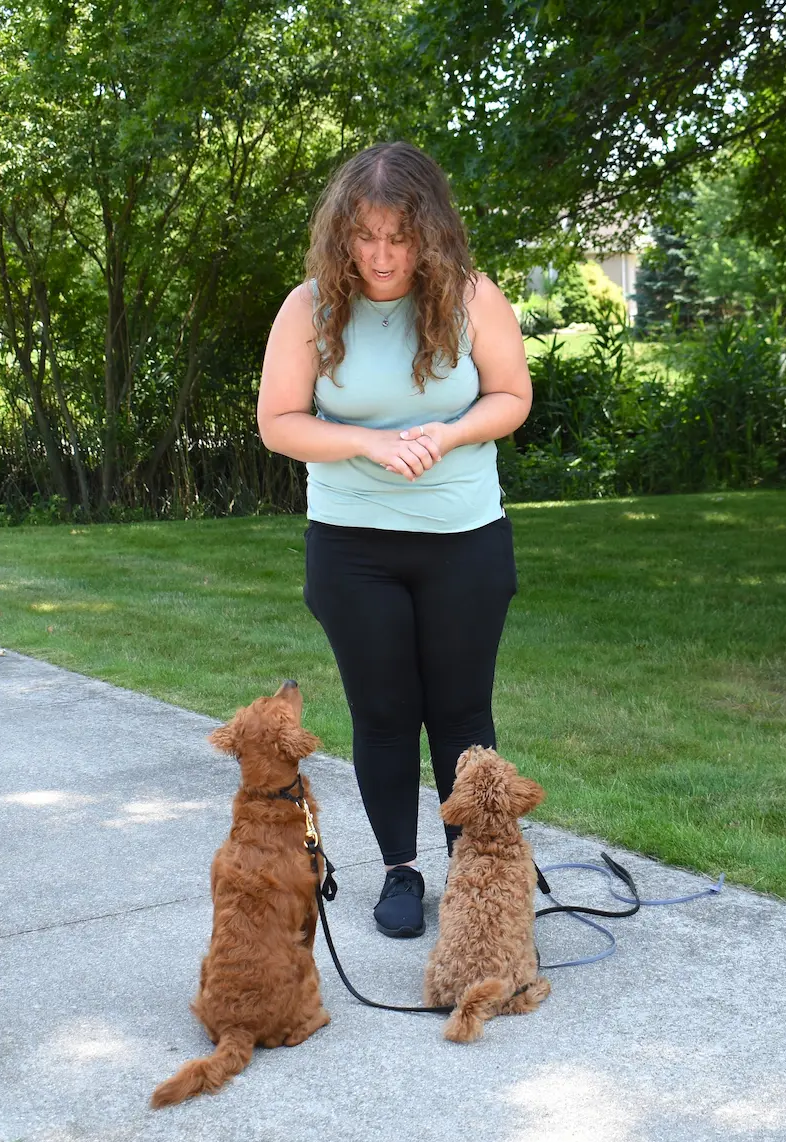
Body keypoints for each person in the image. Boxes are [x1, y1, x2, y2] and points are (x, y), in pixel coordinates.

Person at [256, 141, 532, 939]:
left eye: (399, 238)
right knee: (382, 715)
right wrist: (367, 443)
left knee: (461, 715)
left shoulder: (474, 297)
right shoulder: (308, 309)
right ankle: (400, 873)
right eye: (365, 237)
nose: (381, 257)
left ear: (431, 232)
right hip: (353, 548)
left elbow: (512, 395)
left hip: (464, 538)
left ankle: (477, 875)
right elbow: (279, 422)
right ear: (342, 232)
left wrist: (446, 435)